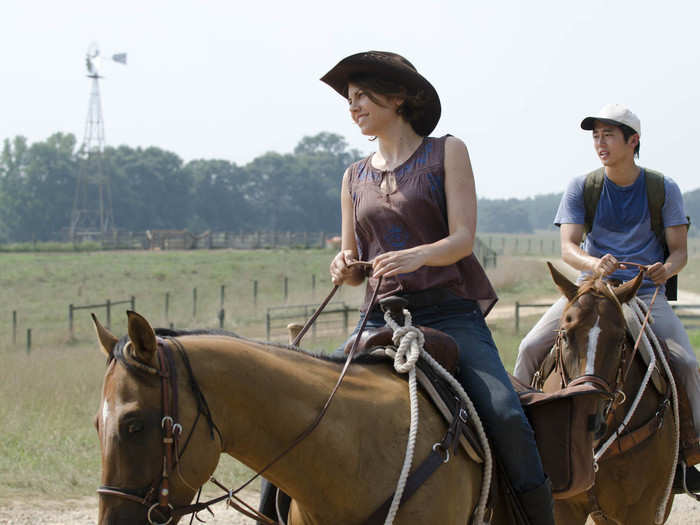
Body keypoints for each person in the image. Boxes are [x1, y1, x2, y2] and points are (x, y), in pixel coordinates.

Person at [323, 51, 554, 525]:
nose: (354, 107)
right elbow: (352, 266)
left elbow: (463, 239)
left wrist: (418, 255)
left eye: (363, 96)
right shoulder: (352, 176)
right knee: (313, 401)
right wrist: (343, 265)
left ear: (399, 97)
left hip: (449, 313)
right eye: (350, 100)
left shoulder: (446, 151)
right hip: (378, 316)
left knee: (506, 414)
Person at [513, 103, 700, 490]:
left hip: (643, 293)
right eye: (595, 136)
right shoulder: (583, 186)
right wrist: (594, 263)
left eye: (608, 135)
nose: (600, 143)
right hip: (590, 294)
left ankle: (690, 453)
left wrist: (667, 269)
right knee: (530, 347)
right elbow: (568, 247)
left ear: (633, 141)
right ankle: (515, 443)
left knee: (685, 364)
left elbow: (679, 250)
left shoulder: (662, 187)